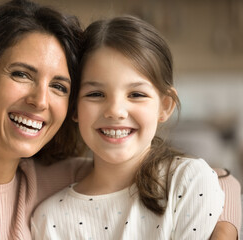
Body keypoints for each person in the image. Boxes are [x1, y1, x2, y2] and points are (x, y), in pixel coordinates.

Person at [0, 1, 240, 239]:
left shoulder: (51, 178)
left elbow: (220, 181)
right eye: (21, 74)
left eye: (58, 85)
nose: (40, 100)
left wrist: (225, 230)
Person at [31, 15, 237, 239]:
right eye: (96, 94)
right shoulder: (48, 220)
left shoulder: (188, 181)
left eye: (136, 94)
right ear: (74, 108)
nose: (116, 110)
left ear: (165, 106)